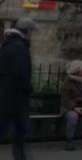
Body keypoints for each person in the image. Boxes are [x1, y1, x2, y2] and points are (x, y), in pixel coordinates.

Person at [0, 18, 37, 160]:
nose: (32, 35)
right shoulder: (19, 47)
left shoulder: (8, 44)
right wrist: (28, 88)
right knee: (18, 131)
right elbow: (20, 74)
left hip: (8, 97)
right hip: (15, 99)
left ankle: (21, 157)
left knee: (19, 133)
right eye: (31, 32)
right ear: (26, 31)